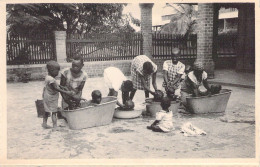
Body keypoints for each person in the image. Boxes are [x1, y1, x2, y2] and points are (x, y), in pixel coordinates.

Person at [42, 61, 74, 130]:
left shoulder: (48, 77)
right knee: (54, 111)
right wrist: (66, 92)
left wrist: (62, 87)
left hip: (47, 97)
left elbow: (55, 85)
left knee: (46, 110)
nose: (58, 73)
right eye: (57, 71)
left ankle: (44, 123)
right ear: (52, 70)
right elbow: (56, 88)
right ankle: (55, 126)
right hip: (51, 98)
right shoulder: (51, 79)